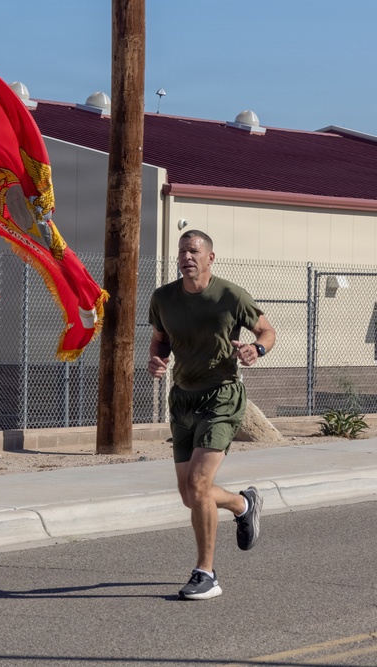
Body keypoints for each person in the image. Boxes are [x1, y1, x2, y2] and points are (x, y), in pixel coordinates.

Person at [148, 230, 277, 601]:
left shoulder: (230, 295)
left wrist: (256, 349)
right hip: (182, 398)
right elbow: (160, 338)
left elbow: (267, 330)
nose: (187, 256)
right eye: (182, 251)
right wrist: (157, 358)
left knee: (200, 486)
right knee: (190, 495)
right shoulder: (163, 298)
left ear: (210, 258)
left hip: (221, 397)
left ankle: (206, 574)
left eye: (194, 251)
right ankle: (243, 504)